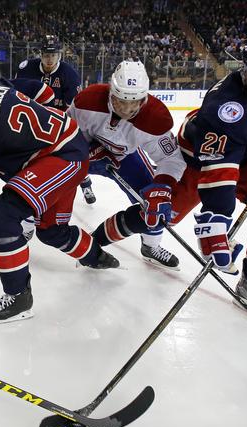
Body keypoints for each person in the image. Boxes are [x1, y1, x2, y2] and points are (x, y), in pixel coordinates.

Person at [91, 28, 247, 325]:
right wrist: (217, 218)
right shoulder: (226, 105)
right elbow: (219, 171)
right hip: (198, 160)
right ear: (246, 69)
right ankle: (99, 239)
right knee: (161, 216)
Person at [0, 74, 119, 325]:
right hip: (68, 147)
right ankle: (98, 257)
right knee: (51, 232)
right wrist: (49, 113)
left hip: (61, 158)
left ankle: (18, 296)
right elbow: (40, 90)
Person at [69, 60, 185, 270]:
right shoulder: (88, 100)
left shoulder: (155, 118)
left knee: (152, 204)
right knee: (51, 182)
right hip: (85, 156)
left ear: (145, 97)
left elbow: (171, 159)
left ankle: (151, 246)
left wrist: (162, 185)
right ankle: (28, 221)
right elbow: (66, 135)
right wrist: (87, 152)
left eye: (135, 102)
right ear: (111, 92)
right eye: (121, 100)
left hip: (125, 158)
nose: (128, 108)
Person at [15, 34, 97, 204]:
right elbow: (17, 95)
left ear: (59, 55)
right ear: (40, 54)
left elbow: (73, 107)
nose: (49, 59)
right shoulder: (26, 69)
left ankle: (86, 184)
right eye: (46, 55)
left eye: (53, 55)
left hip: (61, 120)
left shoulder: (69, 74)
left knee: (73, 153)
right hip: (34, 119)